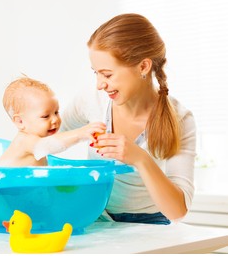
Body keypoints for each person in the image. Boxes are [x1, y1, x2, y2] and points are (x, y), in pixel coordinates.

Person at [60, 13, 196, 225]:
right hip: (94, 216)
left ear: (143, 67)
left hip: (150, 224)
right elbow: (47, 140)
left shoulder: (180, 119)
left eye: (107, 74)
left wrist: (140, 159)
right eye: (95, 73)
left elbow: (178, 211)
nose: (99, 84)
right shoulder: (91, 100)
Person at [0, 76, 106, 167]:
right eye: (45, 116)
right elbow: (49, 145)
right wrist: (80, 134)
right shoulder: (25, 140)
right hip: (2, 189)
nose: (54, 119)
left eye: (56, 112)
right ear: (20, 121)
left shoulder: (35, 138)